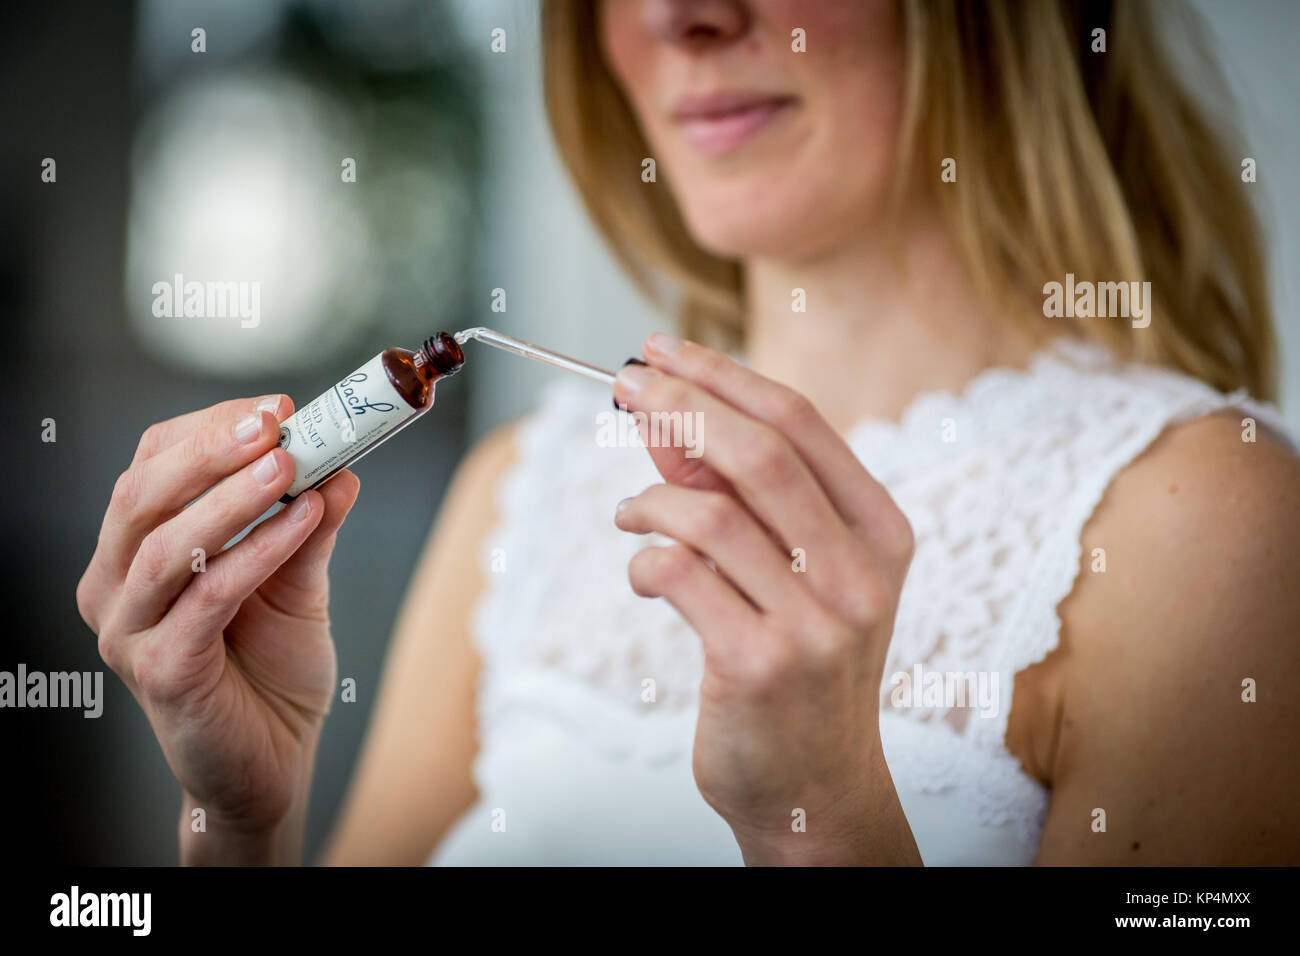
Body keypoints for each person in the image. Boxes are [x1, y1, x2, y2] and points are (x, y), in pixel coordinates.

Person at [77, 0, 1300, 865]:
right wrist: (243, 826)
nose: (679, 14)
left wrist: (818, 819)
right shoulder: (526, 485)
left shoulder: (1201, 519)